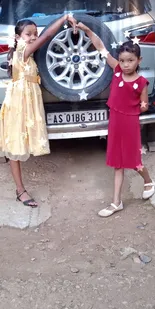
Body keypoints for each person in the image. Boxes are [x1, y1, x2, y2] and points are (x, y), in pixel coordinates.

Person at [76, 22, 155, 217]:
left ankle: (149, 181)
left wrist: (144, 106)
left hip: (130, 124)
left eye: (130, 60)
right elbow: (101, 47)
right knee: (117, 163)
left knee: (135, 161)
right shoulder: (117, 71)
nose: (126, 64)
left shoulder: (141, 83)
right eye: (122, 60)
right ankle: (116, 202)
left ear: (139, 60)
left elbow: (144, 104)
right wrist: (87, 30)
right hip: (116, 122)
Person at [0, 15, 77, 207]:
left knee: (17, 145)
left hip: (25, 102)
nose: (33, 37)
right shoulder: (23, 50)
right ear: (18, 37)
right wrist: (64, 18)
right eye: (28, 34)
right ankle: (20, 190)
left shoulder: (26, 54)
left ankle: (20, 189)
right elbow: (48, 35)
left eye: (35, 34)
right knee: (15, 146)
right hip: (19, 105)